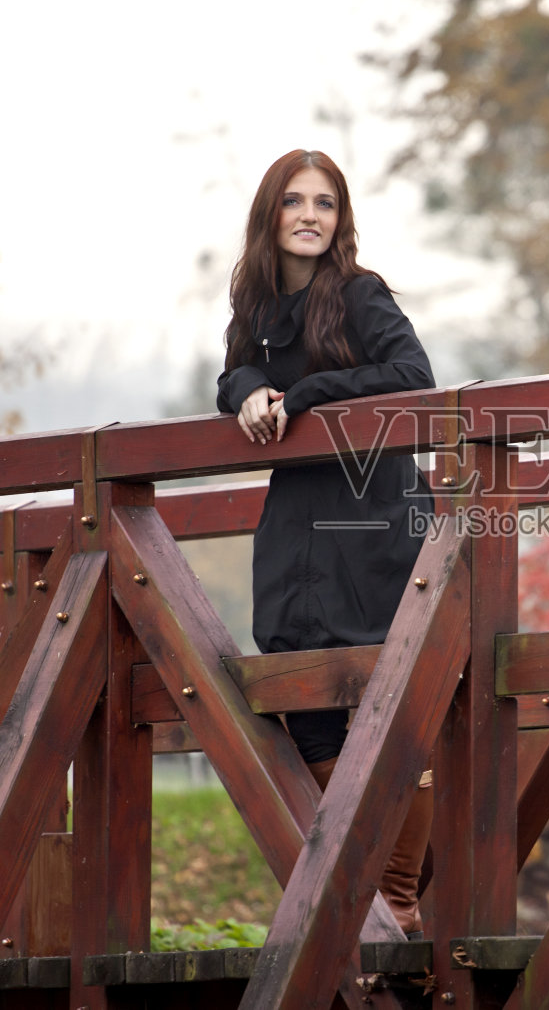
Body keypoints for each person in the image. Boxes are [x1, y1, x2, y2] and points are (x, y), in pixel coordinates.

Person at [215, 149, 434, 936]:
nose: (311, 215)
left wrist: (303, 397)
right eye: (295, 202)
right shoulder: (258, 306)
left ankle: (397, 902)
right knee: (300, 702)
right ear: (270, 215)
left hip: (373, 522)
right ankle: (364, 892)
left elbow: (414, 373)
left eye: (327, 204)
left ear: (341, 220)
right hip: (297, 530)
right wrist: (246, 392)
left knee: (388, 704)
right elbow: (231, 377)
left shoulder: (359, 295)